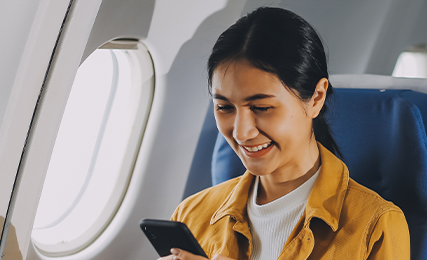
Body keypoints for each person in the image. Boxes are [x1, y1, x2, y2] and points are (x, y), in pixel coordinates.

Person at [159, 7, 410, 260]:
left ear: (316, 98)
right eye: (224, 107)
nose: (241, 132)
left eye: (262, 108)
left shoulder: (376, 225)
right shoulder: (191, 215)